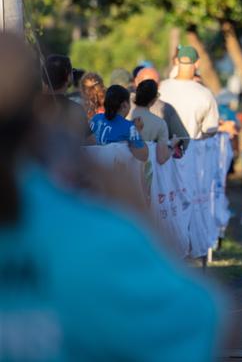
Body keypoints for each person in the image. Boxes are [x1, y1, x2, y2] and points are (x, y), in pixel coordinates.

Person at [0, 31, 229, 362]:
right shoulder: (91, 237)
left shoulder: (94, 122)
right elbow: (205, 322)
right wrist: (138, 219)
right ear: (37, 120)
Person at [159, 46, 220, 140]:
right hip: (191, 151)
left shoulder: (160, 88)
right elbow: (210, 130)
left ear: (176, 61)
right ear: (197, 63)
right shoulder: (205, 93)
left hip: (162, 151)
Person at [133, 67, 190, 151]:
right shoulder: (164, 113)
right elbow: (184, 140)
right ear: (158, 87)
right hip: (151, 162)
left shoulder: (123, 105)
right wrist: (172, 146)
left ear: (136, 82)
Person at [89, 85, 149, 162]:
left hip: (92, 167)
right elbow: (143, 156)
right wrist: (137, 131)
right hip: (113, 171)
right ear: (124, 105)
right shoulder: (129, 127)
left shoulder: (95, 118)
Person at [41, 54, 92, 143]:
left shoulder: (32, 107)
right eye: (72, 71)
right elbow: (91, 142)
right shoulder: (75, 109)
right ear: (68, 77)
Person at [129, 79, 173, 165]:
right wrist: (172, 146)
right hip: (144, 169)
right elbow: (161, 158)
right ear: (153, 99)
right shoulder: (160, 124)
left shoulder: (124, 114)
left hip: (122, 167)